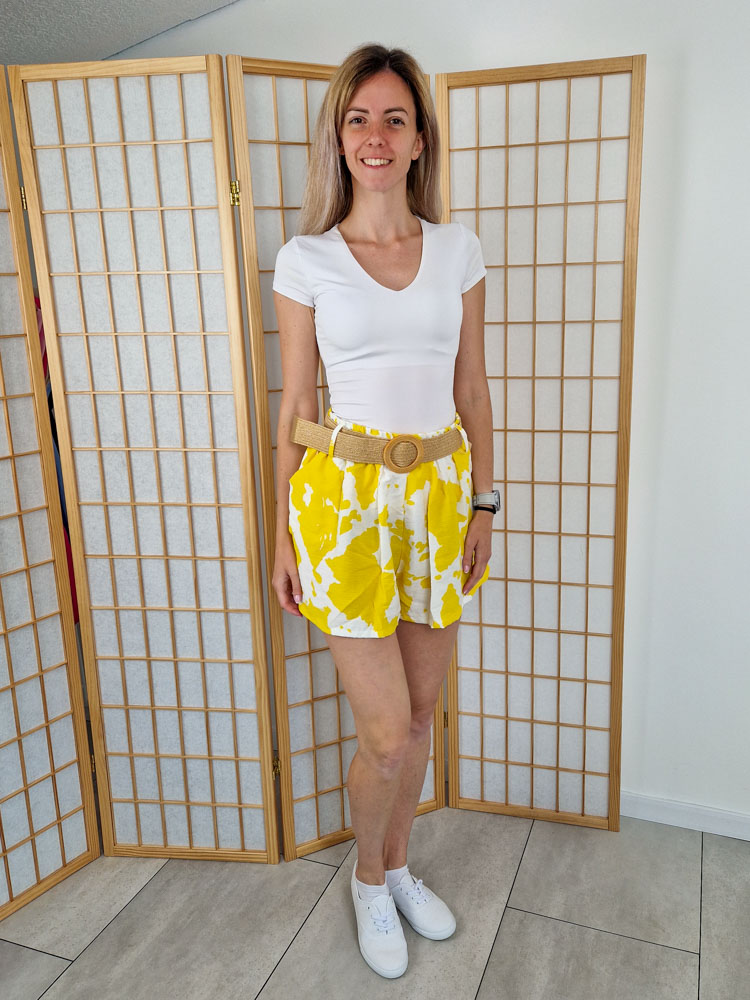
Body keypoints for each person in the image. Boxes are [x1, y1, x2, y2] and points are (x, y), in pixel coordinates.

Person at [271, 42, 500, 980]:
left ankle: (400, 865)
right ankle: (369, 879)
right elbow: (295, 407)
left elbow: (472, 388)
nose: (375, 134)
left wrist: (485, 504)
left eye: (394, 118)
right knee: (386, 731)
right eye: (358, 118)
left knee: (423, 713)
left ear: (418, 139)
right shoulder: (306, 260)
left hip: (440, 497)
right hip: (344, 506)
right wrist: (281, 536)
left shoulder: (458, 250)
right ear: (339, 137)